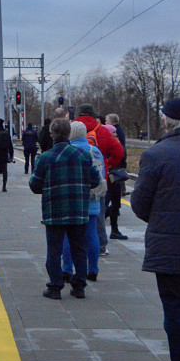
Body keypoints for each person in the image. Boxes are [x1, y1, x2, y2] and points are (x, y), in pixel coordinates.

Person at [130, 98, 180, 361]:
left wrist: (161, 221)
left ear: (165, 122)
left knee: (175, 311)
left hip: (169, 245)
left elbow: (140, 205)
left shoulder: (155, 155)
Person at [29, 118, 101, 300]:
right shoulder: (83, 156)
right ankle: (79, 287)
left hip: (55, 212)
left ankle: (55, 287)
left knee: (54, 250)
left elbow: (35, 185)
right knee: (79, 249)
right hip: (78, 210)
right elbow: (95, 180)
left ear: (52, 134)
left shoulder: (45, 158)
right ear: (69, 133)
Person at [60, 121, 105, 282]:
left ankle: (67, 268)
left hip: (73, 200)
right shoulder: (95, 151)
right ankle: (93, 269)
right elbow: (102, 176)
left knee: (68, 236)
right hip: (93, 198)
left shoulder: (69, 151)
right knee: (92, 235)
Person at [104, 112, 130, 241]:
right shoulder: (109, 146)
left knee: (115, 203)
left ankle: (113, 228)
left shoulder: (116, 144)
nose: (115, 134)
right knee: (113, 202)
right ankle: (112, 228)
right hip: (112, 176)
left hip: (115, 176)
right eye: (113, 133)